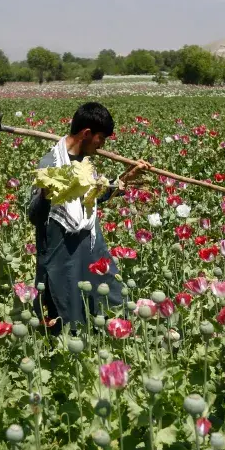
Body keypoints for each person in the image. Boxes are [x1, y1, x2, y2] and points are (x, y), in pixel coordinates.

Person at [27, 102, 149, 335]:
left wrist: (125, 178)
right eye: (101, 138)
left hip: (92, 249)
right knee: (69, 321)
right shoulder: (50, 165)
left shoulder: (84, 164)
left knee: (114, 305)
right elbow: (33, 215)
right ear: (86, 134)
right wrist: (45, 194)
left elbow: (92, 196)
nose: (102, 145)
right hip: (63, 256)